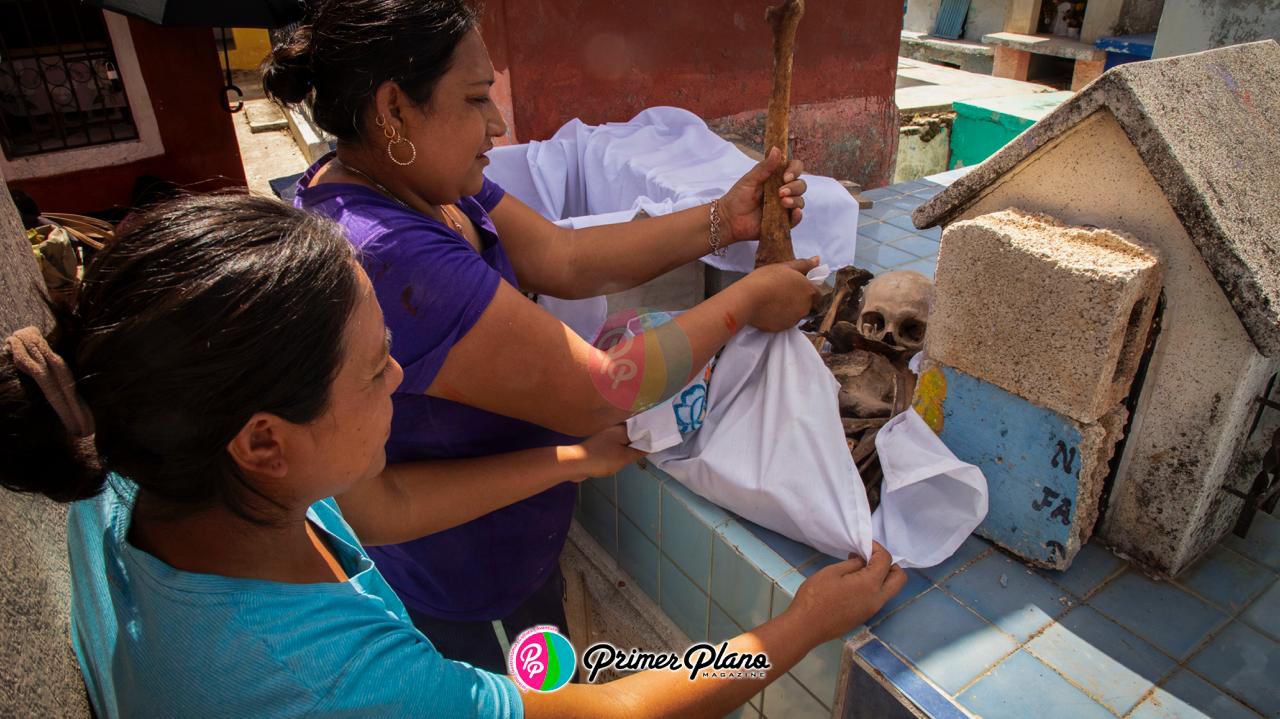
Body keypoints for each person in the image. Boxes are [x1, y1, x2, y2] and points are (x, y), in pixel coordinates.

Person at [0, 193, 904, 718]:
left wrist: (567, 460)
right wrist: (798, 629)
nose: (399, 372)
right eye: (371, 369)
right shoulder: (335, 683)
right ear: (266, 441)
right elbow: (618, 709)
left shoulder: (138, 458)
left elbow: (380, 508)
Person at [266, 0, 826, 671]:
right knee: (542, 694)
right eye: (476, 99)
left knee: (552, 662)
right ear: (393, 108)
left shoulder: (414, 183)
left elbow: (562, 256)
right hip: (475, 581)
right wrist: (747, 299)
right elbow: (599, 391)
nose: (497, 123)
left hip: (513, 544)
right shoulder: (391, 254)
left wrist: (723, 219)